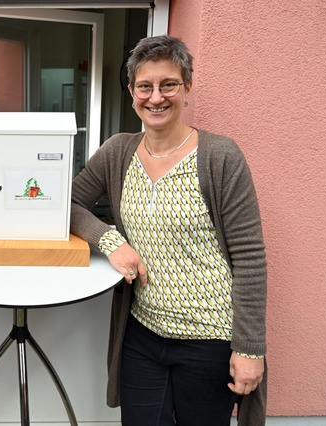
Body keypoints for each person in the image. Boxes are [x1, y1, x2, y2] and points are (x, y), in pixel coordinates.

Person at [70, 35, 267, 426]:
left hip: (210, 339)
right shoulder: (118, 151)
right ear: (131, 92)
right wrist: (111, 242)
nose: (156, 97)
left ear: (187, 87)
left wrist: (250, 349)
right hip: (142, 335)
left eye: (168, 85)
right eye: (145, 86)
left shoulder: (220, 156)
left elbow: (249, 257)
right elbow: (64, 205)